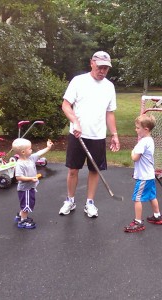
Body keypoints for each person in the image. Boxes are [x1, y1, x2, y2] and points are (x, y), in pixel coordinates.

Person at [59, 50, 120, 218]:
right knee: (73, 169)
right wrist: (75, 122)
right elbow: (66, 105)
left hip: (98, 135)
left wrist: (114, 134)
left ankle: (90, 203)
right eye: (100, 67)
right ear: (91, 63)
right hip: (77, 135)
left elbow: (110, 113)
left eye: (106, 69)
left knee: (95, 170)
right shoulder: (79, 81)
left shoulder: (109, 86)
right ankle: (70, 200)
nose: (102, 71)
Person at [124, 114, 162, 233]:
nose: (135, 129)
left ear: (145, 129)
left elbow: (135, 158)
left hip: (143, 177)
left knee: (137, 198)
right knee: (152, 196)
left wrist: (132, 152)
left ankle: (138, 222)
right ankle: (157, 216)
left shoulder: (143, 142)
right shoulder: (150, 140)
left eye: (137, 128)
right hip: (149, 176)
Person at [12, 137, 53, 229]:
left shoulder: (30, 158)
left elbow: (39, 153)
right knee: (27, 205)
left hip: (30, 187)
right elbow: (18, 177)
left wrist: (48, 148)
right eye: (30, 148)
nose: (32, 149)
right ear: (23, 152)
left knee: (26, 203)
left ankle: (20, 216)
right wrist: (31, 179)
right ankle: (23, 221)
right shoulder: (20, 164)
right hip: (25, 189)